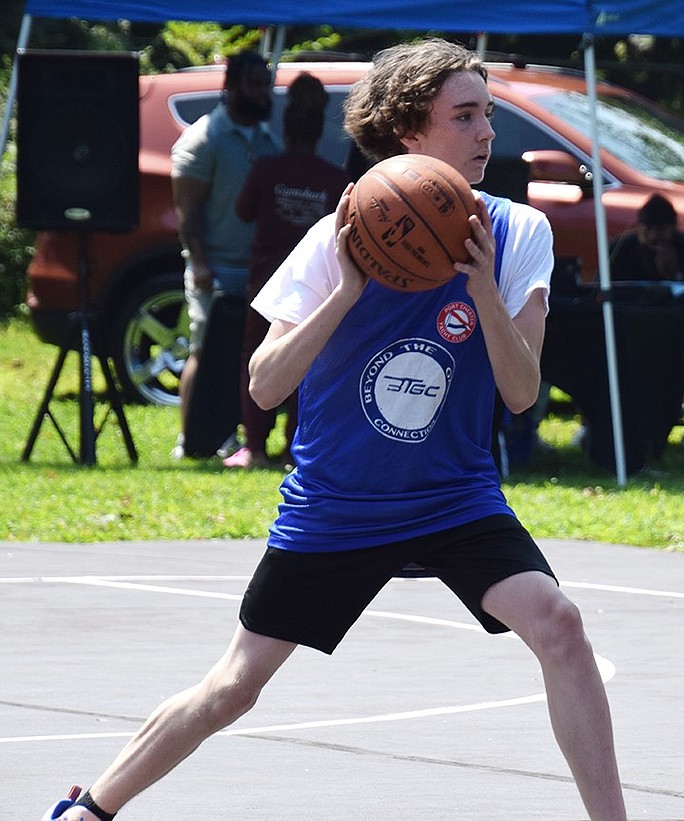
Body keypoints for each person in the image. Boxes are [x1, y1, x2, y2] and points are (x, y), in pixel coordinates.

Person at [42, 38, 627, 821]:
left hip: (454, 497)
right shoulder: (339, 238)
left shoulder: (516, 233)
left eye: (488, 114)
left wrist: (484, 288)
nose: (489, 133)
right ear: (408, 130)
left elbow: (520, 396)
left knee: (559, 622)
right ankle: (91, 807)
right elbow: (263, 381)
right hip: (339, 504)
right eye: (466, 115)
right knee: (233, 687)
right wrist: (347, 291)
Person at [223, 72, 349, 469]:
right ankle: (295, 448)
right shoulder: (335, 179)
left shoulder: (266, 169)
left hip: (265, 279)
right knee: (308, 358)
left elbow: (243, 212)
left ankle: (254, 448)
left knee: (257, 358)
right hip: (318, 284)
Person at [170, 49, 281, 459]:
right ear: (231, 86)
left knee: (243, 356)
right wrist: (199, 261)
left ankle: (229, 435)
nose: (261, 91)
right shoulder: (205, 138)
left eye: (264, 83)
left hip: (255, 271)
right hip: (214, 266)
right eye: (253, 83)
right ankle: (191, 439)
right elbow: (188, 209)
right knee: (204, 351)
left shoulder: (267, 141)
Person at [609, 193, 684, 456]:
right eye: (649, 230)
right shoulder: (622, 249)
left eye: (662, 230)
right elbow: (605, 293)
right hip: (632, 332)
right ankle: (597, 425)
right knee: (598, 348)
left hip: (682, 330)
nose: (656, 238)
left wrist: (674, 273)